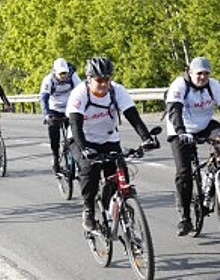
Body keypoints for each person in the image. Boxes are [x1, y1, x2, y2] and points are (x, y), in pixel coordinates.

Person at [66, 57, 158, 231]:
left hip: (108, 139)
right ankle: (89, 210)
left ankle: (122, 215)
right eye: (99, 80)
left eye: (107, 79)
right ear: (89, 78)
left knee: (119, 175)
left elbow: (132, 115)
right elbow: (75, 124)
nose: (103, 83)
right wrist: (84, 148)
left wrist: (146, 137)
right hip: (82, 139)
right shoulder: (79, 93)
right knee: (89, 169)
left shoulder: (116, 91)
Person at [165, 56, 220, 236]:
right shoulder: (179, 85)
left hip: (204, 125)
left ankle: (218, 172)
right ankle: (185, 218)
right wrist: (181, 131)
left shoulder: (213, 85)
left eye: (206, 73)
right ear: (190, 72)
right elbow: (174, 110)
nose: (202, 77)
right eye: (199, 73)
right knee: (184, 173)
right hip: (181, 128)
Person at [40, 58, 81, 174]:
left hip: (70, 108)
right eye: (61, 73)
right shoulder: (48, 80)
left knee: (77, 132)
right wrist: (46, 115)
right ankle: (55, 157)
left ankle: (77, 154)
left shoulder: (73, 77)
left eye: (65, 73)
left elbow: (81, 92)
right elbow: (43, 99)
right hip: (55, 109)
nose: (64, 76)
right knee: (54, 133)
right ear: (55, 72)